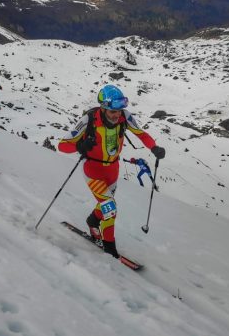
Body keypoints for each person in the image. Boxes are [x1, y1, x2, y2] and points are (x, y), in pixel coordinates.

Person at [58, 84, 165, 258]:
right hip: (93, 171)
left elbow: (141, 134)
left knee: (106, 205)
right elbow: (62, 145)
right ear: (103, 107)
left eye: (120, 110)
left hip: (112, 172)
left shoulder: (124, 117)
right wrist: (80, 146)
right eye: (113, 111)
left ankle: (92, 221)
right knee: (110, 209)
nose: (117, 115)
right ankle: (109, 247)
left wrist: (154, 148)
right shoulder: (89, 120)